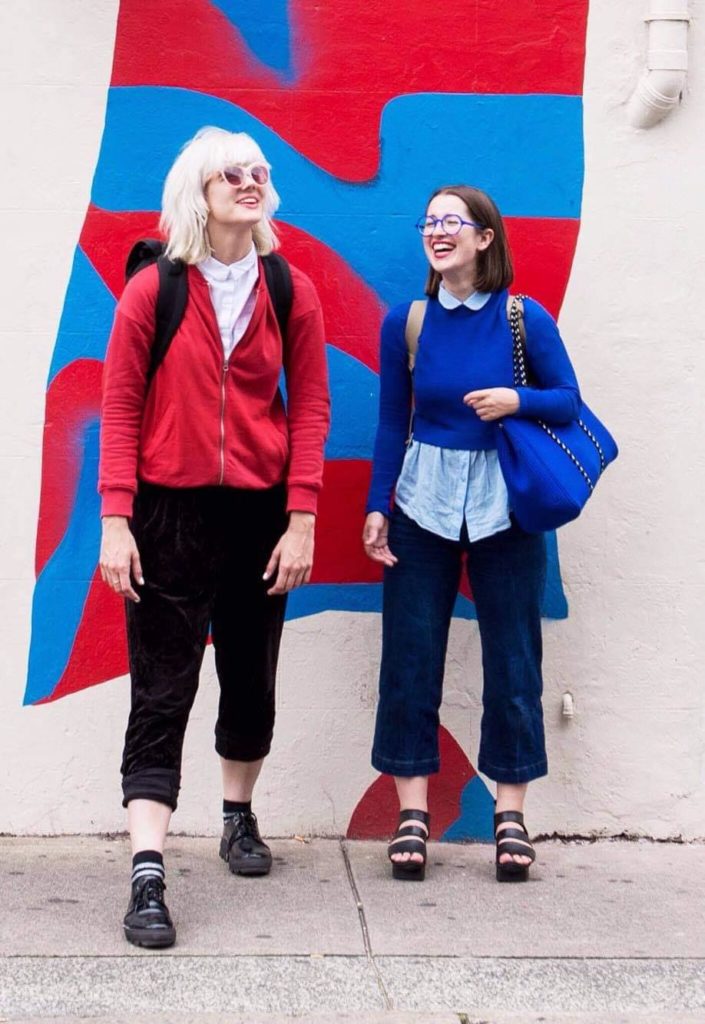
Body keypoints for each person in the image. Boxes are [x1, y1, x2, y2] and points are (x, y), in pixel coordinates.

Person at [98, 126, 330, 946]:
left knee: (250, 679)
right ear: (197, 190)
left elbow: (310, 405)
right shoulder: (153, 289)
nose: (249, 181)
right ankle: (148, 873)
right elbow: (119, 404)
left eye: (258, 171)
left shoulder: (288, 287)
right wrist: (116, 520)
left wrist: (301, 516)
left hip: (259, 515)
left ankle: (237, 814)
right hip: (167, 515)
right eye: (231, 173)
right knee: (161, 690)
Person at [362, 184, 580, 883]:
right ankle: (412, 813)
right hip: (421, 503)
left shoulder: (523, 317)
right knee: (409, 656)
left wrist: (518, 399)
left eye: (451, 221)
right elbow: (391, 421)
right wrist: (377, 505)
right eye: (429, 221)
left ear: (484, 237)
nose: (437, 231)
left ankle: (510, 814)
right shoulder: (408, 322)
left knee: (513, 656)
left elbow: (567, 400)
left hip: (505, 505)